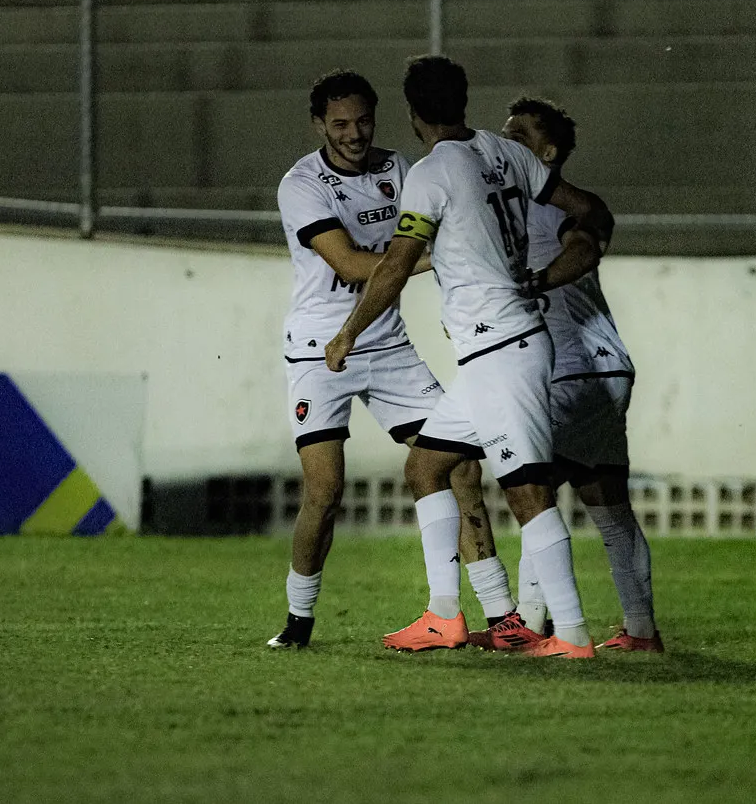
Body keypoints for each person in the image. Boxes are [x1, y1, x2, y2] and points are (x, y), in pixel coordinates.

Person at [326, 56, 614, 658]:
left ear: (412, 114)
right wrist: (582, 241)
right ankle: (443, 616)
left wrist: (350, 332)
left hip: (502, 351)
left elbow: (398, 264)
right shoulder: (503, 152)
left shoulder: (431, 174)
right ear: (463, 98)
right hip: (493, 353)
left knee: (526, 488)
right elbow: (582, 204)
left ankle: (572, 635)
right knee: (425, 468)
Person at [268, 69, 513, 649]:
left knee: (461, 468)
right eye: (340, 124)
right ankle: (298, 621)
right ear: (319, 125)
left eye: (363, 121)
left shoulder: (398, 169)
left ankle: (502, 617)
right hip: (318, 352)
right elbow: (353, 266)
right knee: (325, 492)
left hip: (388, 344)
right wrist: (433, 258)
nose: (353, 134)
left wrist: (428, 254)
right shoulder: (301, 184)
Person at [467, 97, 662, 653]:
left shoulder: (539, 208)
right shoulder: (556, 206)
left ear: (547, 153)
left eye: (518, 135)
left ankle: (530, 624)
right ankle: (641, 631)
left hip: (567, 370)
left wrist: (536, 282)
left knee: (532, 492)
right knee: (608, 505)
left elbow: (582, 254)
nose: (506, 143)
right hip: (607, 367)